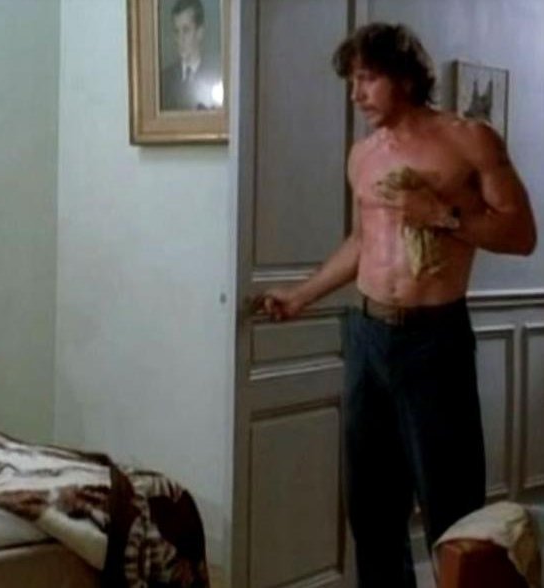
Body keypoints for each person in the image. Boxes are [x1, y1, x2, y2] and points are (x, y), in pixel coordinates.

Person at [256, 23, 536, 587]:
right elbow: (364, 241)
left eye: (367, 79)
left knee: (453, 509)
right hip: (368, 338)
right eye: (351, 81)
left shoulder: (469, 140)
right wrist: (301, 295)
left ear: (405, 77)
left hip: (435, 340)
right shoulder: (363, 155)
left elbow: (521, 234)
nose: (355, 94)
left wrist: (442, 214)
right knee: (372, 510)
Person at [159, 0, 220, 111]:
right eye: (176, 31)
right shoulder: (164, 80)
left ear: (200, 32)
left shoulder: (216, 77)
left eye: (186, 30)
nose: (180, 39)